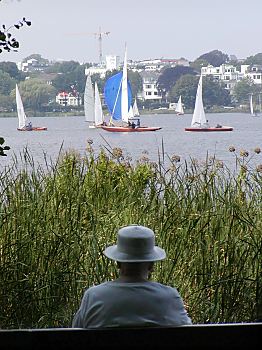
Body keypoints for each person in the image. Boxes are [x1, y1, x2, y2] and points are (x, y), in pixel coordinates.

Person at [72, 224, 192, 328]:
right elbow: (188, 336)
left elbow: (74, 335)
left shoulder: (93, 296)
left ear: (118, 263)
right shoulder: (169, 297)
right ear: (151, 265)